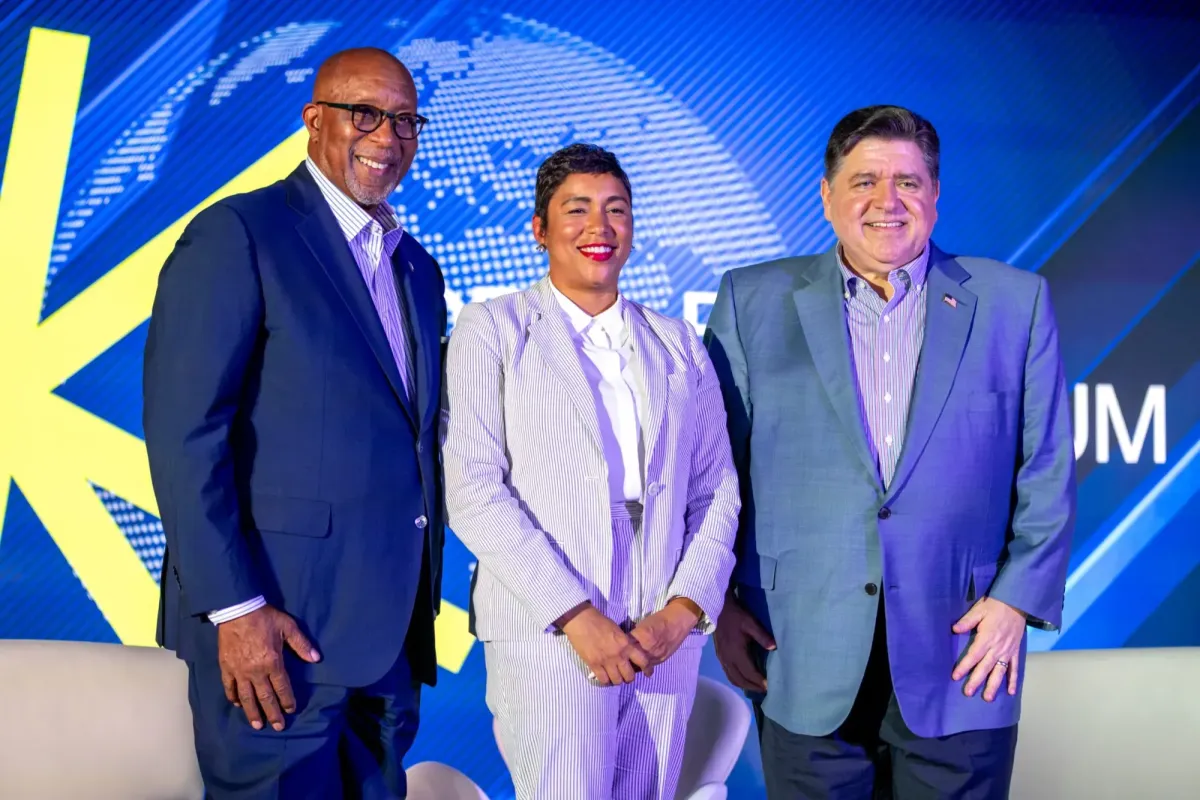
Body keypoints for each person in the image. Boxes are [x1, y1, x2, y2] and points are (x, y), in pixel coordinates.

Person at [705, 105, 1075, 799]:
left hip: (964, 655)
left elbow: (1047, 469)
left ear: (935, 195)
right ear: (827, 195)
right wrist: (719, 605)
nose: (887, 201)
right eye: (865, 181)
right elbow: (714, 475)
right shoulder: (752, 301)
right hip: (797, 651)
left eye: (908, 182)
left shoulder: (1014, 302)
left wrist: (1016, 602)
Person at [143, 47, 446, 798]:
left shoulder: (416, 268)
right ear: (314, 119)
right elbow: (187, 435)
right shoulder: (239, 233)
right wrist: (237, 610)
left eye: (405, 120)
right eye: (364, 114)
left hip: (386, 646)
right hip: (276, 635)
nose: (388, 137)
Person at [440, 143, 740, 799]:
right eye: (577, 209)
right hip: (549, 620)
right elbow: (472, 489)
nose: (599, 227)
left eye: (616, 210)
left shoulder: (677, 341)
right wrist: (574, 615)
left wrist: (683, 611)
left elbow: (716, 489)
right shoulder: (492, 328)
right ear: (540, 228)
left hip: (663, 622)